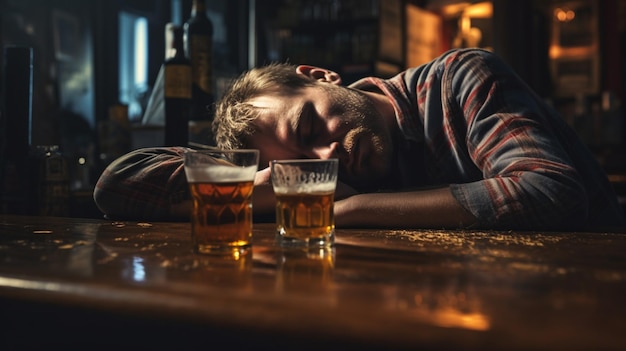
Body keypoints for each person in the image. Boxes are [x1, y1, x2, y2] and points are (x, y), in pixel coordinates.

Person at [93, 48, 625, 231]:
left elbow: (551, 192)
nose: (325, 159)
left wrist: (350, 210)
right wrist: (275, 184)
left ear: (322, 75)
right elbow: (121, 186)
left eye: (308, 128)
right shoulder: (327, 171)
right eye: (300, 165)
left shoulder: (460, 78)